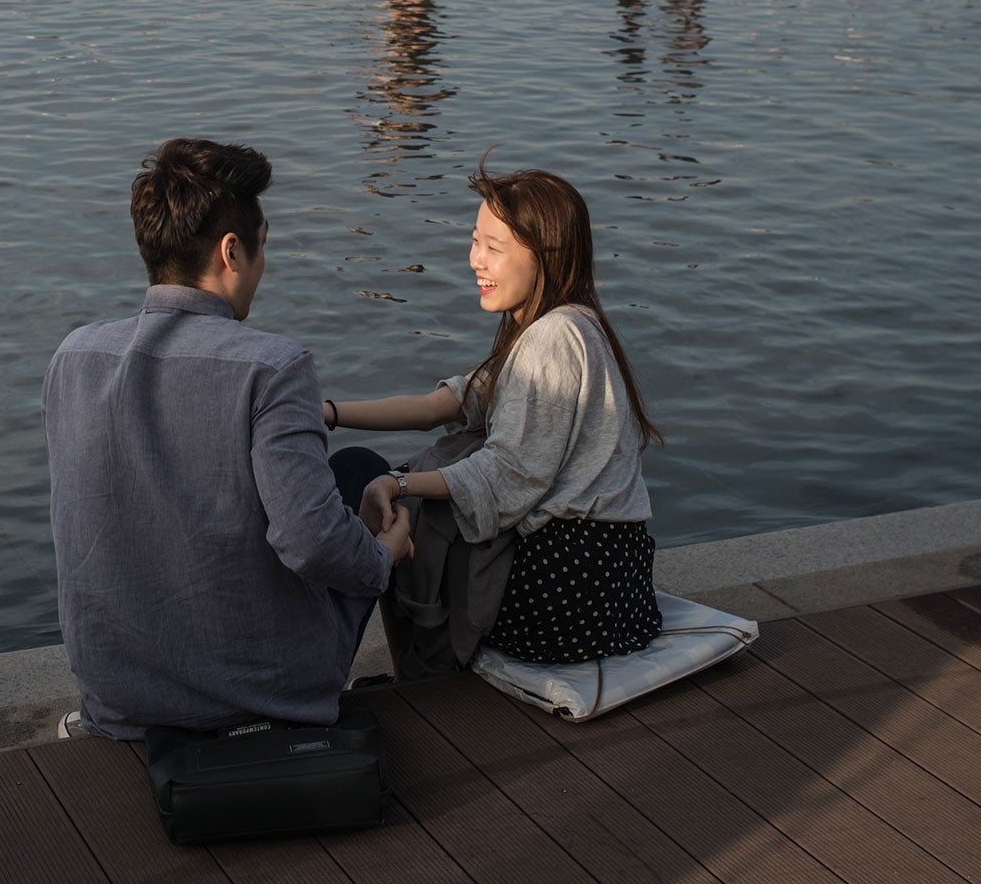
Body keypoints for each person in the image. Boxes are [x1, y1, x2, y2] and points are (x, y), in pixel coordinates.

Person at [44, 139, 410, 739]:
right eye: (263, 244)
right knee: (362, 470)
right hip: (263, 696)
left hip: (118, 701)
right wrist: (384, 557)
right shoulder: (273, 367)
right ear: (231, 251)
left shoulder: (73, 356)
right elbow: (313, 543)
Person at [323, 166, 662, 678]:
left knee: (388, 515)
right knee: (375, 479)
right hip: (608, 581)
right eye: (475, 240)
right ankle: (408, 672)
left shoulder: (553, 339)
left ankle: (407, 678)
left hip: (570, 590)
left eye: (494, 248)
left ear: (544, 254)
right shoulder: (561, 326)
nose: (474, 260)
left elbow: (508, 476)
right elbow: (439, 405)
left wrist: (394, 483)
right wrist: (328, 412)